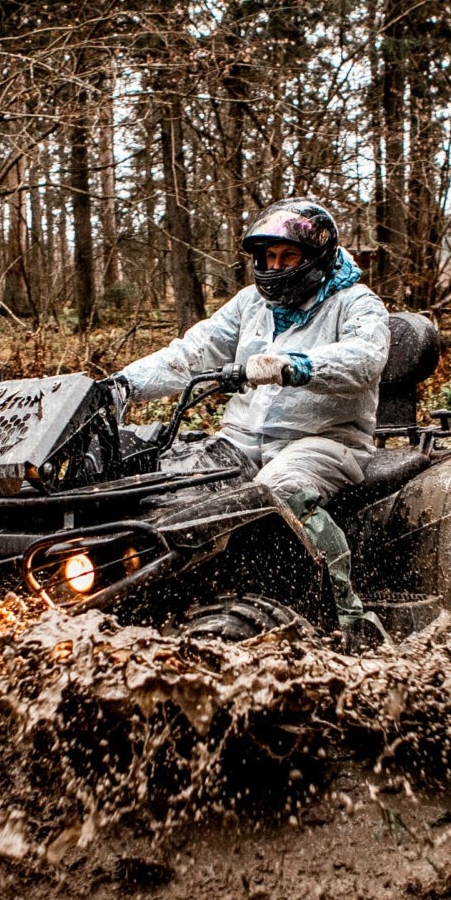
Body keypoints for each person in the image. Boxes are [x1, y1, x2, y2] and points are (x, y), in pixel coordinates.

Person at [112, 197, 391, 646]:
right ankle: (163, 595)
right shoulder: (250, 305)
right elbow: (191, 353)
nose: (276, 266)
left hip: (323, 441)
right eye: (269, 257)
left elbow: (365, 359)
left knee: (277, 493)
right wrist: (123, 384)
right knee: (166, 486)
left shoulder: (356, 303)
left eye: (288, 256)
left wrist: (296, 365)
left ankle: (349, 618)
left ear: (315, 257)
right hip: (240, 440)